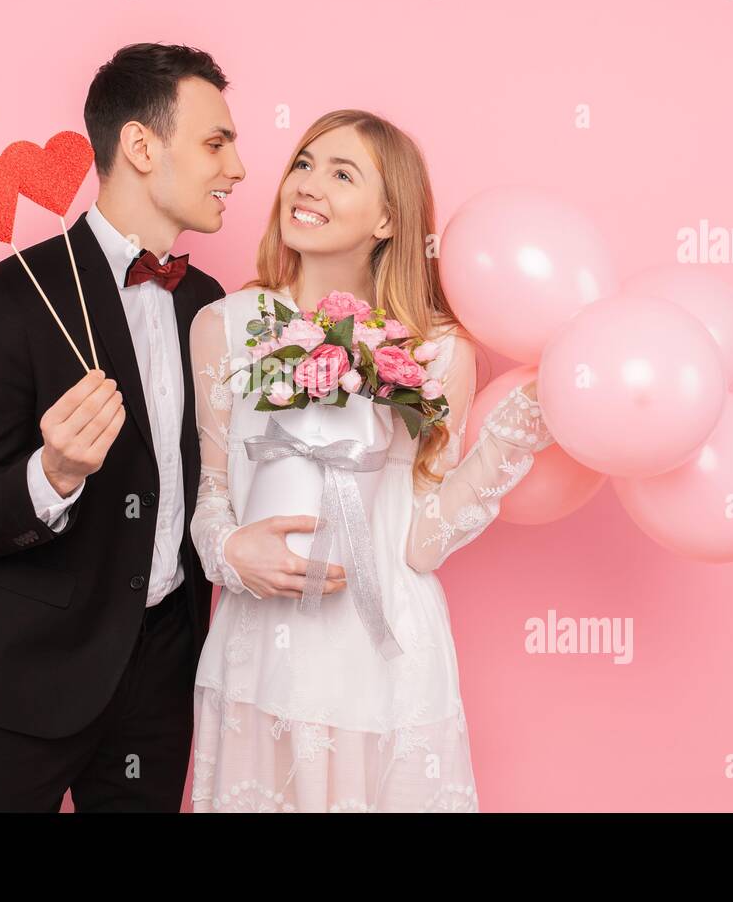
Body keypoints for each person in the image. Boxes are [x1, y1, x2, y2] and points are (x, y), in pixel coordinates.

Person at [187, 110, 554, 812]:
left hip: (382, 660)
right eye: (303, 163)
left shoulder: (439, 350)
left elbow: (420, 540)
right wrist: (230, 551)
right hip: (259, 653)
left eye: (341, 173)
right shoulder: (225, 326)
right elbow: (211, 492)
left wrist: (513, 435)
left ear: (389, 219)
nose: (308, 185)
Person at [0, 43, 244, 811]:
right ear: (141, 145)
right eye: (216, 143)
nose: (236, 168)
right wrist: (56, 474)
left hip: (165, 677)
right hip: (21, 681)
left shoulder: (209, 302)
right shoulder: (6, 297)